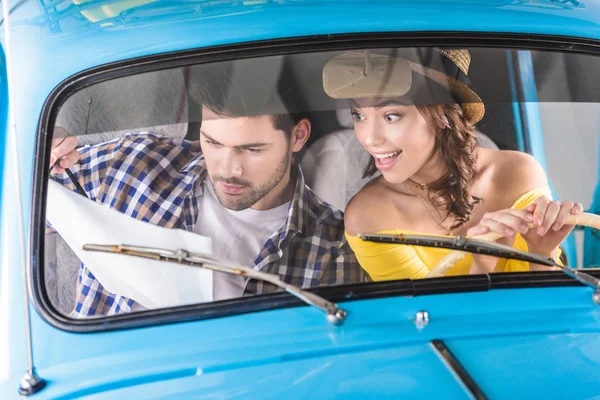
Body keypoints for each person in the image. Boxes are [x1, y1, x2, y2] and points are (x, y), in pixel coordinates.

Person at [50, 70, 364, 317]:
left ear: (298, 136)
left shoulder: (333, 249)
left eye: (251, 149)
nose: (228, 169)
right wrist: (41, 157)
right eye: (212, 143)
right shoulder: (134, 163)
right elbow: (21, 210)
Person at [326, 49, 584, 281]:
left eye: (390, 116)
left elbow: (545, 310)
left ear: (441, 114)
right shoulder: (369, 214)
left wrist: (542, 251)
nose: (369, 138)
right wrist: (481, 266)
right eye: (358, 115)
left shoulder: (518, 173)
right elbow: (421, 323)